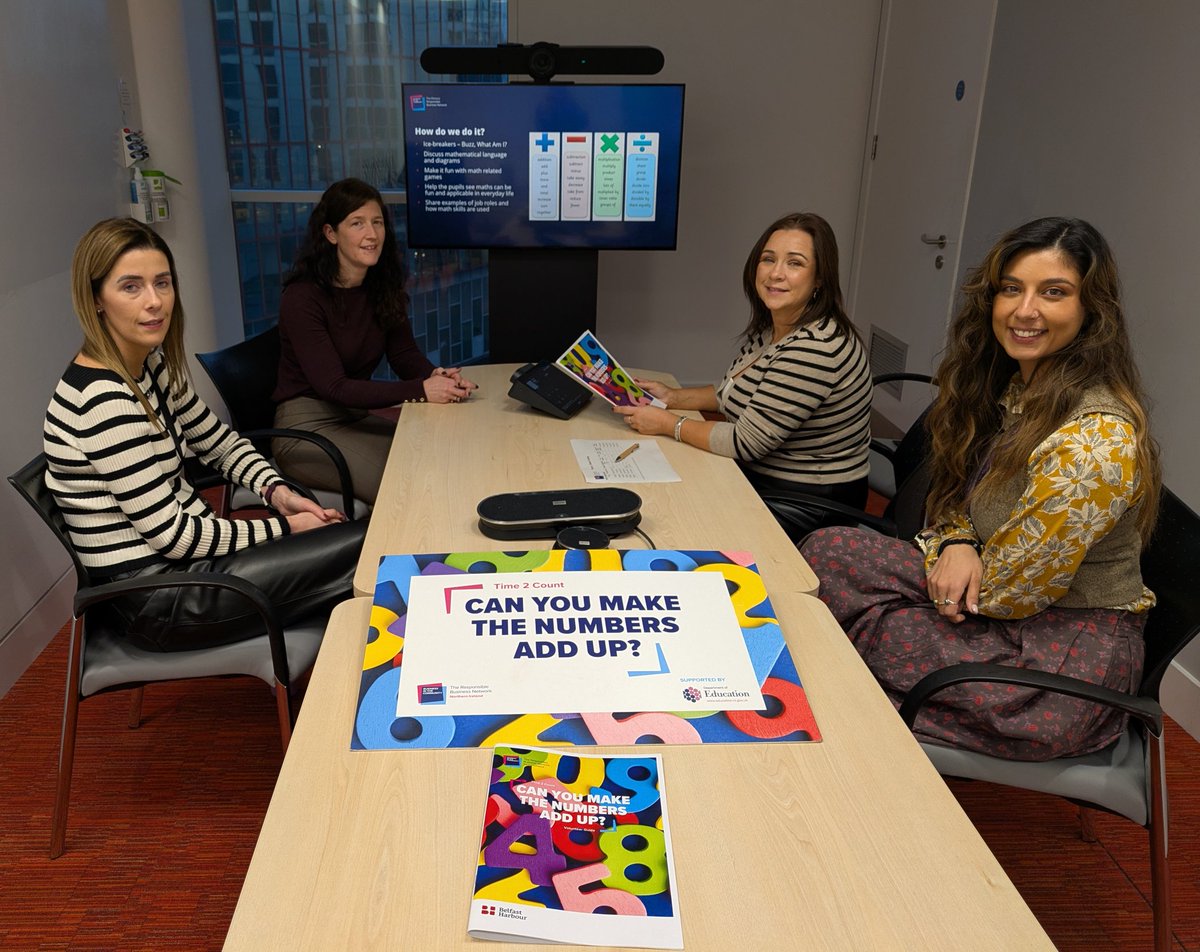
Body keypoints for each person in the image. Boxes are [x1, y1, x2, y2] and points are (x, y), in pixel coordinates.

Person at [800, 216, 1161, 761]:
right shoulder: (1022, 387)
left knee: (842, 631)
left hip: (1052, 665)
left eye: (1054, 293)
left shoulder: (1093, 441)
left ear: (1091, 312)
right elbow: (955, 493)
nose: (1024, 310)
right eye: (1012, 289)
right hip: (1000, 596)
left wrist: (946, 556)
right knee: (825, 553)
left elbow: (1012, 594)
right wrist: (955, 542)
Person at [43, 217, 367, 652]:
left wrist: (276, 492)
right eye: (131, 287)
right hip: (158, 601)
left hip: (193, 569)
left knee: (359, 544)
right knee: (367, 549)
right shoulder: (103, 400)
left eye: (163, 283)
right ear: (96, 299)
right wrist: (286, 528)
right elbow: (175, 538)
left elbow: (220, 442)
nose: (155, 302)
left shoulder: (146, 365)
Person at [615, 212, 873, 536]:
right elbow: (736, 392)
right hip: (767, 478)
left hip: (806, 501)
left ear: (819, 278)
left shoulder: (814, 348)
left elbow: (744, 442)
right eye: (769, 259)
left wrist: (667, 423)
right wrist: (673, 396)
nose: (776, 273)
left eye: (794, 263)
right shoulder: (775, 326)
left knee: (673, 518)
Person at [272, 178, 476, 504]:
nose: (372, 234)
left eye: (377, 222)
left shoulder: (381, 285)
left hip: (353, 416)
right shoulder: (302, 298)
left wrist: (434, 377)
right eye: (357, 223)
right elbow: (334, 387)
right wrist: (421, 390)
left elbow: (404, 353)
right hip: (306, 431)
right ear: (331, 234)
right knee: (413, 481)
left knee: (442, 450)